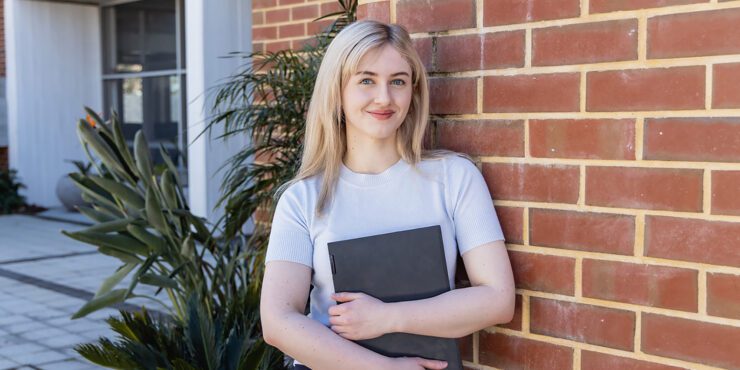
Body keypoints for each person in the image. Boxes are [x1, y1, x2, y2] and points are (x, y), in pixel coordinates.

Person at [260, 20, 516, 370]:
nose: (384, 98)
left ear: (413, 92)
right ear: (337, 92)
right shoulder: (303, 199)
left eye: (398, 81)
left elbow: (498, 299)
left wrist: (388, 317)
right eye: (366, 80)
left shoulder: (455, 178)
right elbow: (277, 322)